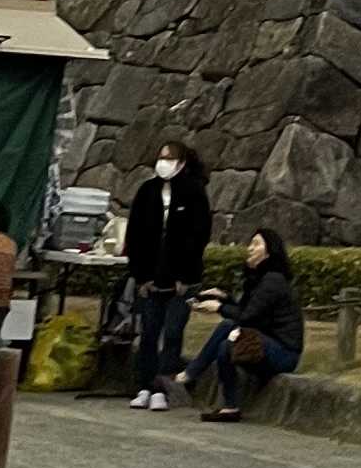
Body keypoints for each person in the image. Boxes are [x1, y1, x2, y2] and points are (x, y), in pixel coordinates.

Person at [123, 136, 210, 412]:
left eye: (170, 159)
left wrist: (185, 277)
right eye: (161, 158)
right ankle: (143, 386)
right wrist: (140, 276)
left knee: (172, 333)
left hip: (182, 280)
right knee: (149, 333)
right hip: (150, 277)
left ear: (182, 163)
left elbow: (198, 237)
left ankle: (162, 386)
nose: (164, 163)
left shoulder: (194, 193)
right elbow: (135, 236)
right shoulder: (146, 191)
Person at [184, 227, 302, 422]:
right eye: (250, 244)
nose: (249, 249)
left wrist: (219, 307)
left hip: (284, 353)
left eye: (256, 244)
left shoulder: (273, 280)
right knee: (225, 343)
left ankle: (193, 373)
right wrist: (224, 298)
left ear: (269, 250)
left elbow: (247, 317)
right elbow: (247, 311)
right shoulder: (260, 279)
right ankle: (230, 406)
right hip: (265, 343)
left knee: (228, 336)